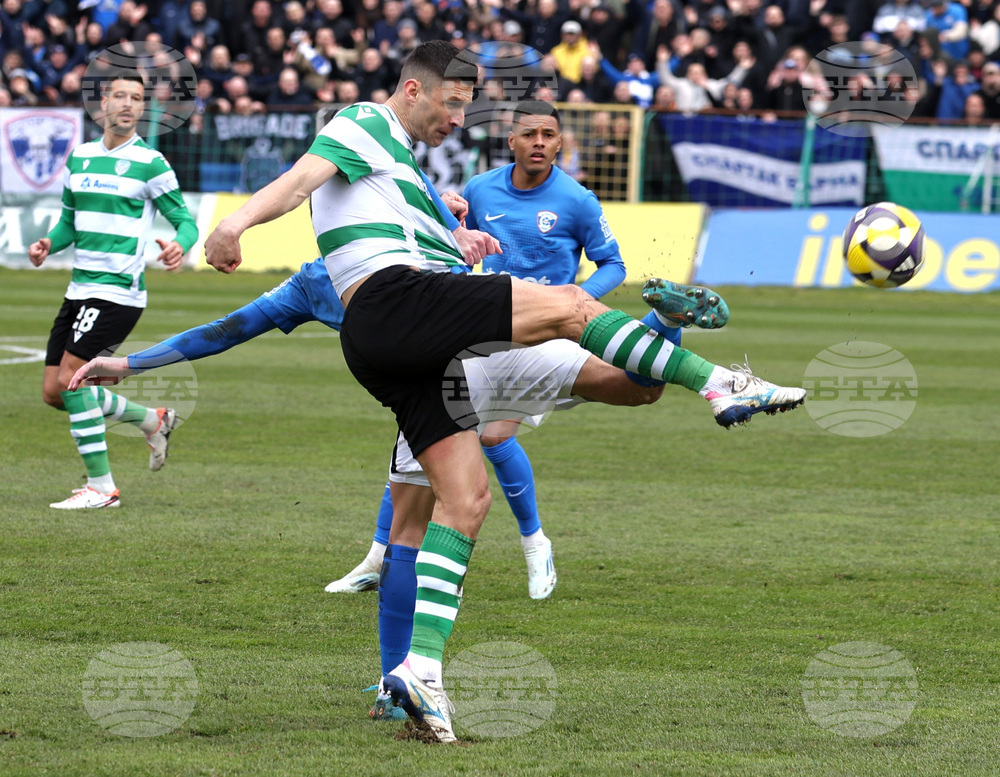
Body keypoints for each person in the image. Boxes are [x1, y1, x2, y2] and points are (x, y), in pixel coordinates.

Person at [197, 41, 804, 742]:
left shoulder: (400, 171)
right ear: (415, 91)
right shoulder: (363, 121)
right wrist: (234, 223)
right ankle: (723, 383)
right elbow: (300, 179)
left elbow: (409, 229)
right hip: (394, 305)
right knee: (572, 304)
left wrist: (457, 236)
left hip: (398, 344)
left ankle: (420, 674)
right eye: (452, 104)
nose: (459, 120)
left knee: (467, 499)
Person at [328, 99, 730, 603]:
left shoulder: (577, 199)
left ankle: (532, 543)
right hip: (482, 332)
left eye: (549, 134)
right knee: (429, 437)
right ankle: (387, 557)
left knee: (500, 432)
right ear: (512, 142)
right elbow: (457, 249)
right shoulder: (480, 189)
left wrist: (573, 305)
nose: (539, 142)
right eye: (530, 134)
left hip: (544, 333)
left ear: (560, 142)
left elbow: (612, 264)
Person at [29, 68, 198, 510]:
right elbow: (69, 222)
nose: (127, 104)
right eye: (120, 96)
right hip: (78, 288)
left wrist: (179, 246)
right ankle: (153, 419)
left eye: (136, 99)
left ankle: (102, 488)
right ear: (103, 103)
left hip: (117, 291)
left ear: (143, 109)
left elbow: (186, 221)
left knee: (72, 380)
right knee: (53, 391)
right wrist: (50, 242)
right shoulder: (80, 158)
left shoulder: (151, 163)